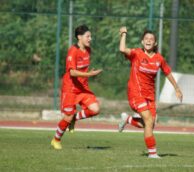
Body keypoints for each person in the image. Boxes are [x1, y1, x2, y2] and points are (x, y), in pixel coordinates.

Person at [118, 26, 183, 158]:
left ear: (155, 43)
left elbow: (168, 73)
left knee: (150, 124)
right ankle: (152, 153)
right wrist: (123, 34)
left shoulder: (159, 59)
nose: (148, 41)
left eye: (151, 39)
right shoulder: (136, 54)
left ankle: (128, 119)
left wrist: (177, 88)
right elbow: (122, 49)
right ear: (142, 42)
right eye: (146, 39)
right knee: (148, 120)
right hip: (135, 93)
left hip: (149, 96)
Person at [51, 25, 102, 149]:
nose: (90, 39)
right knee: (67, 117)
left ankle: (75, 118)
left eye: (90, 36)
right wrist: (89, 74)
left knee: (95, 109)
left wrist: (87, 75)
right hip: (70, 88)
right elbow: (72, 72)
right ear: (79, 37)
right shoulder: (73, 51)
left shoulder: (88, 50)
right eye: (88, 36)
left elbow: (82, 70)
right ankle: (56, 140)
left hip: (82, 87)